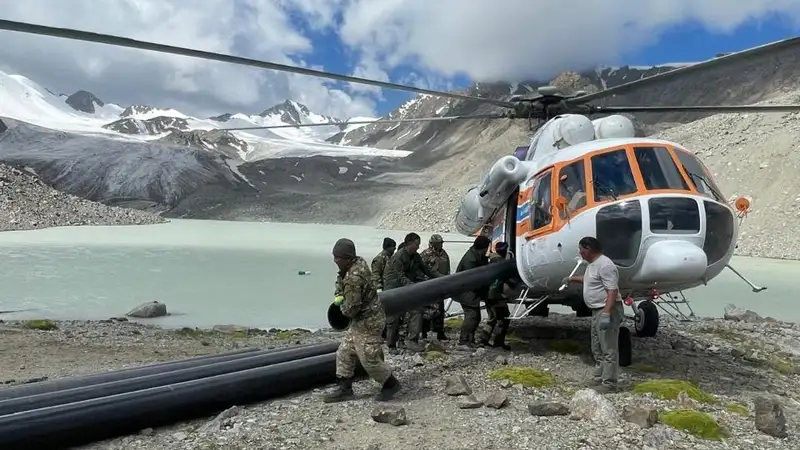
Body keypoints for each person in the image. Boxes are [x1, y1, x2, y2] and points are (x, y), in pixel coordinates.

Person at [324, 238, 401, 403]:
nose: (335, 260)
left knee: (368, 358)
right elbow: (340, 280)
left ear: (347, 257)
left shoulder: (354, 277)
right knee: (344, 351)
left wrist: (341, 305)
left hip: (369, 322)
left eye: (338, 257)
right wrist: (339, 293)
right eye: (334, 256)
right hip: (361, 321)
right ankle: (345, 388)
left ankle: (391, 384)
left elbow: (352, 309)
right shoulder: (353, 264)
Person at [564, 236, 622, 393]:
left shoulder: (605, 265)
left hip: (606, 308)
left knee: (608, 347)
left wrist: (607, 313)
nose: (580, 252)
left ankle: (609, 383)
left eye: (581, 249)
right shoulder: (593, 265)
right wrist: (572, 279)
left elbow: (612, 290)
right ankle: (599, 377)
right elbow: (590, 279)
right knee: (597, 345)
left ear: (588, 248)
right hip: (597, 309)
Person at [383, 232, 440, 352]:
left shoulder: (416, 256)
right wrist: (414, 287)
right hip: (394, 290)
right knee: (395, 318)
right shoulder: (398, 257)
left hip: (407, 288)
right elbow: (400, 276)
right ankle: (391, 345)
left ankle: (410, 340)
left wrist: (441, 277)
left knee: (417, 311)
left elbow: (426, 269)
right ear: (409, 244)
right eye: (417, 244)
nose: (418, 247)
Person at [452, 235, 491, 348]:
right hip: (464, 291)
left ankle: (470, 339)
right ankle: (463, 341)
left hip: (470, 291)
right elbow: (473, 279)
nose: (486, 250)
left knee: (475, 316)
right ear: (482, 247)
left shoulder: (477, 255)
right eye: (486, 248)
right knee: (472, 315)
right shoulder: (471, 259)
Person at [476, 241, 516, 350]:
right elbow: (508, 278)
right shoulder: (501, 263)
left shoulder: (490, 260)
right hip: (495, 295)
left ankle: (483, 340)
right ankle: (498, 342)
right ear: (504, 251)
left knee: (492, 318)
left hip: (487, 294)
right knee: (503, 318)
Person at [419, 234, 451, 341]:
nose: (441, 245)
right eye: (439, 243)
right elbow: (421, 270)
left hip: (440, 286)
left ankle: (440, 332)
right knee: (427, 310)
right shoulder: (425, 254)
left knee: (440, 310)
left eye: (441, 243)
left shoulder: (444, 254)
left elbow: (447, 267)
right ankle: (424, 332)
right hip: (428, 286)